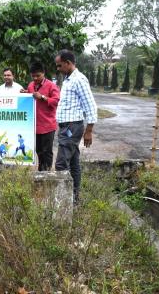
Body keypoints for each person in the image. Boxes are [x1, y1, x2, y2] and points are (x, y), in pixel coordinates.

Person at [54, 50, 97, 204]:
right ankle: (74, 198)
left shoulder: (79, 79)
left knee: (60, 164)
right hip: (67, 126)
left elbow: (90, 105)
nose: (58, 68)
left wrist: (89, 130)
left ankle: (62, 201)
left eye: (59, 65)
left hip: (72, 126)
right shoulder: (67, 79)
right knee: (73, 163)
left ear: (68, 63)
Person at [26, 62, 60, 171]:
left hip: (47, 126)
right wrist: (25, 93)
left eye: (38, 75)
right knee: (38, 150)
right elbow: (30, 97)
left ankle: (47, 172)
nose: (35, 78)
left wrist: (43, 97)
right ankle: (42, 169)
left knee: (47, 151)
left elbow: (56, 101)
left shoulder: (51, 86)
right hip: (35, 126)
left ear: (43, 73)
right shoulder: (31, 85)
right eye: (33, 76)